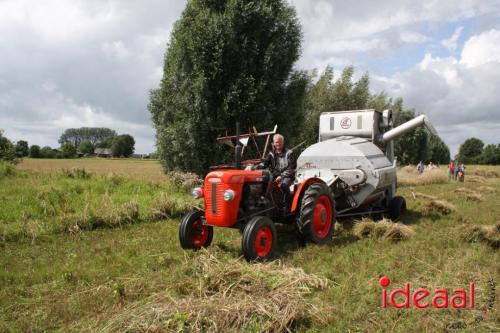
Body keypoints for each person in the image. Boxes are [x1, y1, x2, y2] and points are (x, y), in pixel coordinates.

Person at [258, 134, 296, 214]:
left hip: (287, 176)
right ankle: (265, 203)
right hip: (275, 175)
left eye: (280, 142)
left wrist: (282, 176)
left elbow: (292, 167)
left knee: (284, 185)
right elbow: (264, 164)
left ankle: (287, 207)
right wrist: (253, 168)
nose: (278, 144)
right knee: (263, 182)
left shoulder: (289, 153)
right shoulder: (271, 153)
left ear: (283, 142)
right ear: (274, 143)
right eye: (276, 142)